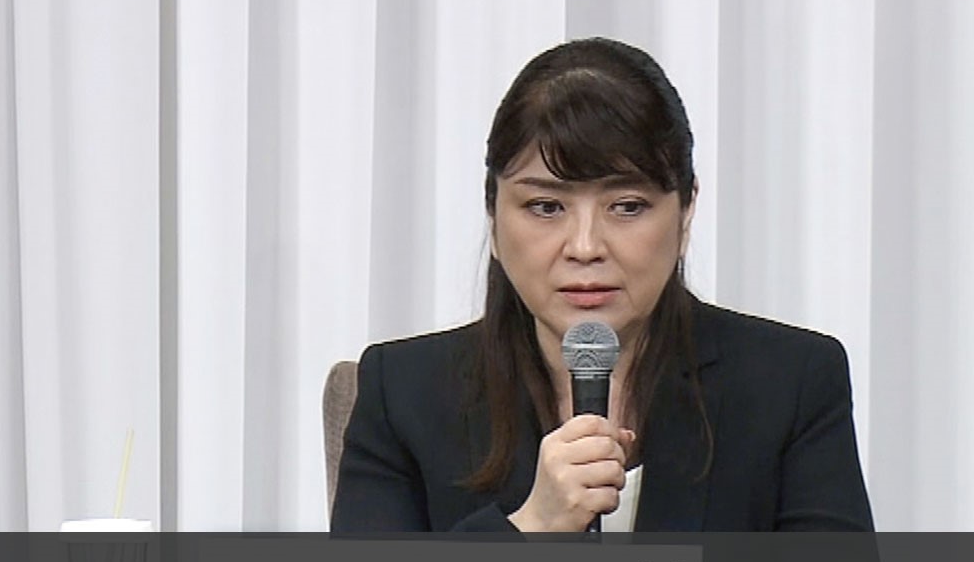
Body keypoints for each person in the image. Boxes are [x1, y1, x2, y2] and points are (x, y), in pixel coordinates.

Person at [331, 37, 874, 535]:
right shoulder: (404, 393)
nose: (585, 246)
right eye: (546, 207)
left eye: (627, 206)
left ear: (685, 213)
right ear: (493, 217)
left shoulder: (791, 383)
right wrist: (532, 527)